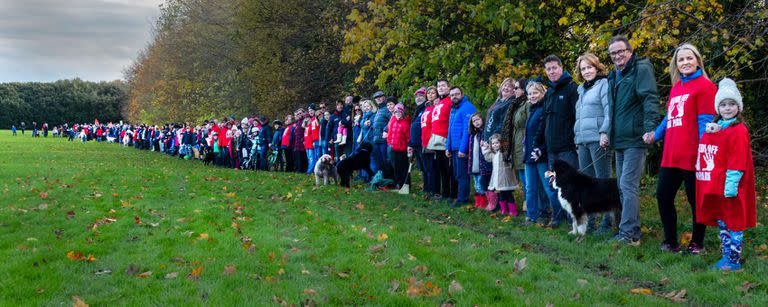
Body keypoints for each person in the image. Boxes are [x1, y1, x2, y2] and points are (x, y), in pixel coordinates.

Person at [647, 43, 717, 253]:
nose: (685, 62)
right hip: (671, 154)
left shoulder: (705, 86)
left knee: (696, 201)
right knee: (663, 196)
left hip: (693, 155)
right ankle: (671, 241)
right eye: (681, 60)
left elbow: (705, 122)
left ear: (697, 61)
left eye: (689, 58)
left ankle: (697, 243)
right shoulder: (677, 87)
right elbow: (671, 118)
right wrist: (655, 135)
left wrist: (702, 153)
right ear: (676, 65)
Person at [696, 78, 756, 271]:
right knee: (723, 221)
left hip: (732, 187)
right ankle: (726, 256)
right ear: (717, 107)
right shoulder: (720, 127)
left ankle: (733, 260)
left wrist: (731, 186)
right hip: (718, 185)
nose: (727, 108)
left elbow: (737, 160)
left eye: (731, 104)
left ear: (738, 107)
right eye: (723, 104)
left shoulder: (738, 131)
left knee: (734, 222)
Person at [606, 34, 660, 245]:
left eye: (621, 51)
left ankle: (629, 235)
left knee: (628, 185)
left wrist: (650, 128)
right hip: (619, 140)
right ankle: (628, 230)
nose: (618, 56)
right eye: (613, 53)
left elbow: (650, 98)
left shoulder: (641, 69)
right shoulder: (613, 76)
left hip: (636, 138)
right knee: (622, 186)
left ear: (629, 51)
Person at [573, 52, 614, 233]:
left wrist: (605, 132)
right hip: (582, 141)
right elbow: (579, 117)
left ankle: (607, 223)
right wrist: (577, 139)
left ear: (597, 67)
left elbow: (609, 111)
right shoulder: (581, 89)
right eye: (583, 69)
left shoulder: (603, 84)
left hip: (599, 140)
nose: (586, 71)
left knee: (602, 182)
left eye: (589, 67)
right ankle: (590, 222)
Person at [523, 82, 559, 226]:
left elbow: (547, 133)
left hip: (541, 156)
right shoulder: (532, 110)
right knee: (530, 187)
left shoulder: (544, 109)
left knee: (548, 187)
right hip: (529, 156)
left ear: (542, 93)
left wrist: (541, 150)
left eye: (535, 93)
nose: (532, 96)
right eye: (530, 93)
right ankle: (531, 216)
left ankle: (558, 216)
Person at [501, 78, 530, 212]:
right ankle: (529, 206)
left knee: (528, 182)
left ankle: (532, 208)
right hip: (517, 145)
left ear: (524, 89)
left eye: (517, 88)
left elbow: (529, 125)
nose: (514, 90)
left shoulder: (527, 104)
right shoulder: (517, 104)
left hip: (524, 145)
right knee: (524, 181)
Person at [446, 87, 477, 207]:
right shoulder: (454, 109)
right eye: (452, 95)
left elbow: (467, 130)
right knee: (457, 174)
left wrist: (462, 149)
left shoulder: (467, 107)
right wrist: (448, 147)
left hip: (461, 148)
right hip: (453, 147)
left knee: (462, 175)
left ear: (462, 94)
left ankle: (463, 199)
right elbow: (450, 129)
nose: (454, 96)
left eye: (456, 94)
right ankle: (460, 197)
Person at [427, 80, 453, 200]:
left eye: (443, 86)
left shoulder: (450, 101)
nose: (440, 88)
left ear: (448, 87)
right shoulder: (439, 102)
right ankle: (444, 192)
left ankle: (451, 194)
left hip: (446, 139)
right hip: (436, 139)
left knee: (448, 169)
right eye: (439, 86)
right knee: (441, 168)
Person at [482, 133, 519, 216]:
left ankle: (513, 211)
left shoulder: (504, 153)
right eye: (493, 143)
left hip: (506, 178)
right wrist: (485, 147)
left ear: (501, 143)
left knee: (509, 194)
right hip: (497, 178)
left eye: (497, 143)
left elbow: (511, 158)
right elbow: (487, 157)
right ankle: (504, 210)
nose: (495, 145)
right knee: (501, 194)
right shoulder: (493, 154)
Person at [467, 113, 491, 209]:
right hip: (475, 164)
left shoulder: (485, 133)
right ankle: (478, 202)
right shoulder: (473, 135)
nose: (476, 122)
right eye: (474, 121)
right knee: (476, 184)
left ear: (482, 120)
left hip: (483, 164)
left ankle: (484, 203)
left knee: (482, 183)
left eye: (478, 119)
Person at [408, 88, 429, 197]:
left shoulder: (426, 108)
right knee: (422, 167)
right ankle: (426, 187)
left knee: (427, 167)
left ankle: (429, 188)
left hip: (423, 143)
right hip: (415, 144)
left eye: (421, 96)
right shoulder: (418, 110)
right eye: (416, 96)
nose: (418, 98)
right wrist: (410, 144)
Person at [387, 103, 411, 189]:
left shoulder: (405, 123)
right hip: (393, 148)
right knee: (396, 167)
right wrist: (390, 142)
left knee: (403, 168)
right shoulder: (393, 121)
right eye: (396, 112)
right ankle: (398, 183)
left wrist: (409, 146)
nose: (398, 113)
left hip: (402, 149)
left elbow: (408, 137)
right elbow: (390, 134)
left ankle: (405, 184)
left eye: (400, 112)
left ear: (403, 112)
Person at [484, 78, 516, 142]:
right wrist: (483, 137)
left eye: (509, 86)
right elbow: (489, 121)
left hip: (495, 141)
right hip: (487, 139)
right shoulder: (498, 101)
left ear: (513, 90)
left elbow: (502, 123)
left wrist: (493, 139)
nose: (506, 88)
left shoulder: (510, 103)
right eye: (505, 85)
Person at [420, 87, 437, 199]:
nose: (430, 95)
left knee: (433, 168)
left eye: (433, 93)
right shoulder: (427, 107)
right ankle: (429, 188)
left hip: (432, 141)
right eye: (429, 93)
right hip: (424, 141)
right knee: (427, 168)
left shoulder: (436, 107)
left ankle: (434, 190)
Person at [370, 91, 391, 175]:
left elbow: (392, 121)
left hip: (384, 140)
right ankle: (382, 180)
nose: (378, 99)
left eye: (380, 97)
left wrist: (385, 130)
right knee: (380, 161)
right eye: (376, 98)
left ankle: (389, 180)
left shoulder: (387, 108)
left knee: (386, 160)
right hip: (376, 139)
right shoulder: (378, 109)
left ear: (384, 97)